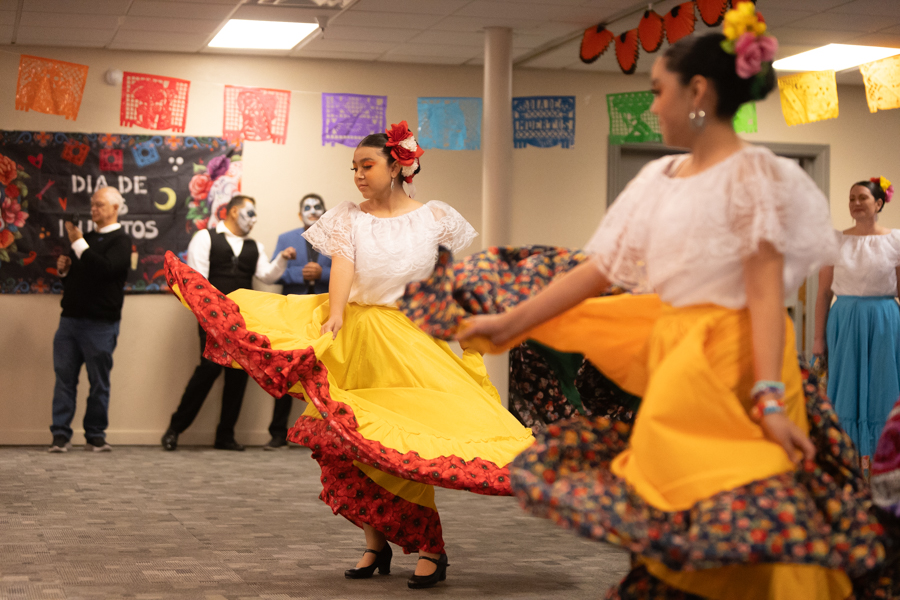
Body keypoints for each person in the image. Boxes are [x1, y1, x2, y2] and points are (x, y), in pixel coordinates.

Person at [459, 7, 895, 598]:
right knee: (686, 517)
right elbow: (599, 270)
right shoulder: (658, 177)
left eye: (658, 91)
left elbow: (766, 295)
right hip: (681, 362)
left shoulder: (756, 177)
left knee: (747, 519)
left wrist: (768, 398)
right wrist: (511, 322)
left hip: (742, 364)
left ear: (697, 91)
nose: (653, 105)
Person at [162, 121, 533, 589]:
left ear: (397, 165)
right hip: (357, 335)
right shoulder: (348, 218)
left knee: (403, 440)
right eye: (354, 166)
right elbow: (344, 269)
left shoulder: (434, 217)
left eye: (367, 165)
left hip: (412, 339)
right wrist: (334, 314)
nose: (358, 174)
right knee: (358, 441)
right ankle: (374, 544)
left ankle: (430, 548)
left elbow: (444, 281)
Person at [161, 195, 296, 451]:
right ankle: (174, 429)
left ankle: (225, 435)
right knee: (209, 369)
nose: (254, 220)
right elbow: (197, 279)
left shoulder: (254, 245)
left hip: (243, 321)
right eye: (250, 213)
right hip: (211, 319)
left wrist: (283, 259)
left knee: (238, 374)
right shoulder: (205, 238)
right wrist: (207, 316)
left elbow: (267, 276)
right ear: (234, 211)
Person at [813, 178, 900, 469]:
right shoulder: (835, 240)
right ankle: (847, 461)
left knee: (882, 387)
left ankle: (882, 463)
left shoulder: (895, 240)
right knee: (846, 388)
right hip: (845, 321)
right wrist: (817, 340)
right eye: (852, 198)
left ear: (878, 203)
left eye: (862, 197)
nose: (856, 203)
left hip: (884, 321)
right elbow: (823, 294)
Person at [49, 186, 131, 453]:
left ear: (115, 209)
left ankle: (95, 434)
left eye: (99, 205)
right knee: (64, 380)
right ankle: (60, 435)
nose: (93, 209)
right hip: (70, 321)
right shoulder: (83, 242)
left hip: (100, 324)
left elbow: (106, 270)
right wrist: (65, 272)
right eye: (92, 205)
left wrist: (78, 242)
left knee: (99, 383)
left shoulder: (120, 241)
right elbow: (79, 277)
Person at [264, 193, 332, 450]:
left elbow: (348, 272)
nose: (312, 211)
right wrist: (300, 274)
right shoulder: (286, 238)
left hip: (325, 315)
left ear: (324, 212)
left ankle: (326, 435)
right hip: (292, 314)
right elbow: (274, 272)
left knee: (326, 375)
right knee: (286, 371)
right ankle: (277, 433)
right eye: (307, 208)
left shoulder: (337, 238)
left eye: (317, 207)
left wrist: (322, 273)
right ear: (299, 213)